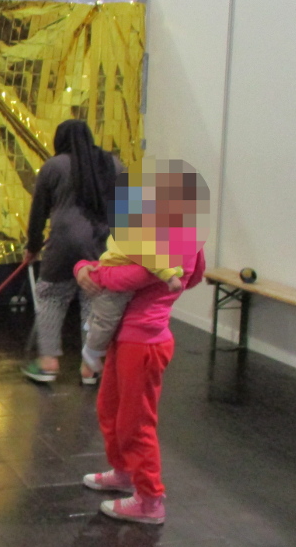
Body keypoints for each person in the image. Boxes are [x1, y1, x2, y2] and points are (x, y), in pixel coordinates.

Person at [76, 163, 207, 525]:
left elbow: (127, 276)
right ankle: (124, 473)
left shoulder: (178, 243)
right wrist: (84, 267)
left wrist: (89, 271)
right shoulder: (160, 236)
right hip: (127, 337)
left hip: (143, 341)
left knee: (136, 422)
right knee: (111, 409)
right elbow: (121, 261)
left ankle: (150, 500)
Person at [21, 119, 121, 383]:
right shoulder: (113, 164)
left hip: (63, 245)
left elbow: (38, 212)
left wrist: (32, 247)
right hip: (102, 244)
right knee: (93, 300)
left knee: (51, 297)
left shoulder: (54, 166)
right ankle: (90, 367)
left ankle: (48, 363)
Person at [80, 234, 183, 381]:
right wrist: (171, 276)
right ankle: (92, 351)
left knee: (102, 314)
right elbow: (151, 259)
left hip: (111, 274)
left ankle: (91, 328)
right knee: (106, 321)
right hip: (123, 303)